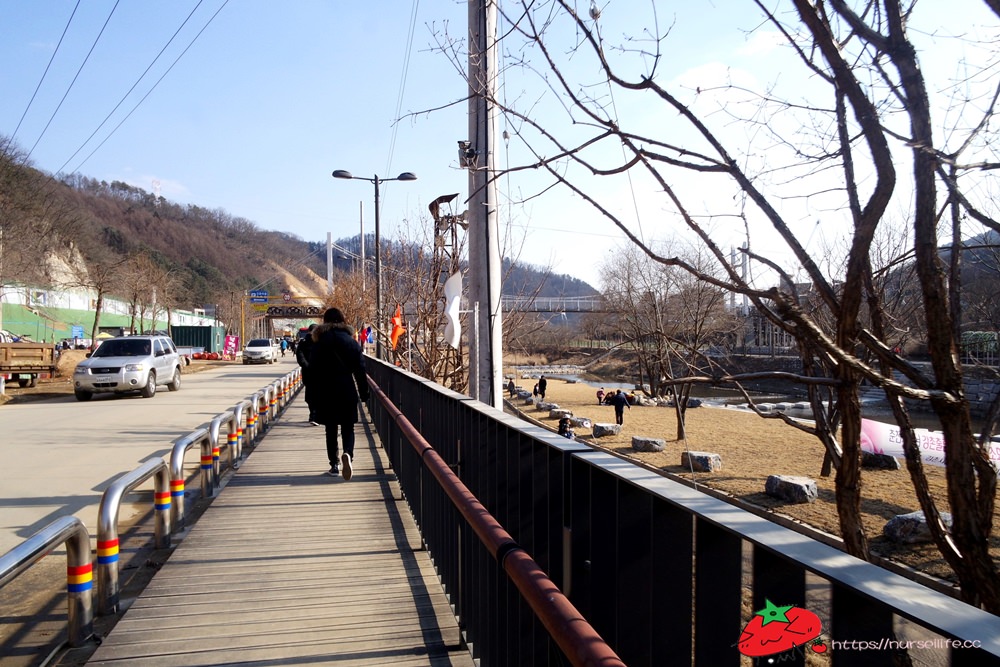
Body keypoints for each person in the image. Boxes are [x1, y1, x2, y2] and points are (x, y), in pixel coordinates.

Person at [308, 308, 370, 481]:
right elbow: (360, 369)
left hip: (326, 390)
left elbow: (313, 370)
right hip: (346, 388)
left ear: (325, 321)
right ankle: (348, 454)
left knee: (331, 427)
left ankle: (334, 464)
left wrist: (312, 397)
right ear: (342, 321)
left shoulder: (319, 342)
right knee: (348, 426)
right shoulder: (351, 342)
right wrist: (364, 393)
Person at [296, 323, 319, 425]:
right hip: (318, 372)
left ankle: (313, 415)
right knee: (317, 393)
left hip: (308, 372)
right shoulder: (319, 341)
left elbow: (300, 356)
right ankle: (315, 415)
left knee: (310, 394)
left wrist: (306, 366)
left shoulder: (303, 342)